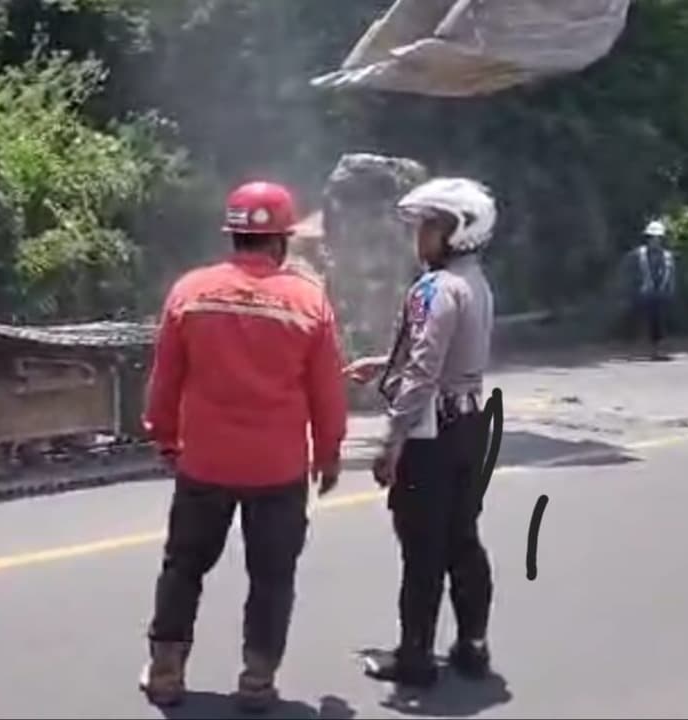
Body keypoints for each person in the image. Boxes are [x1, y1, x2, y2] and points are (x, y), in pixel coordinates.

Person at [138, 181, 348, 712]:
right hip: (277, 471)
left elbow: (165, 379)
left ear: (234, 235)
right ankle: (257, 682)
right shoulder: (308, 301)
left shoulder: (190, 292)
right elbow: (327, 391)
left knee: (183, 567)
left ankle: (165, 673)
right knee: (272, 577)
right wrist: (328, 452)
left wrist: (164, 437)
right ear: (281, 241)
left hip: (204, 463)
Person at [346, 177, 497, 687]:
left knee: (422, 547)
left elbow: (424, 372)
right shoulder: (476, 282)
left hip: (431, 434)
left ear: (458, 231)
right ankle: (473, 646)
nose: (420, 237)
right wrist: (383, 362)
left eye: (430, 226)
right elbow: (448, 356)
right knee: (463, 538)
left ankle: (413, 659)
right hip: (471, 426)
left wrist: (392, 441)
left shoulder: (434, 288)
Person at [628, 220, 676, 359]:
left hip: (660, 293)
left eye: (658, 238)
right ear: (648, 238)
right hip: (643, 293)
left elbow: (671, 274)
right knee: (643, 322)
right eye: (652, 238)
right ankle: (643, 349)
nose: (655, 241)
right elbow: (631, 273)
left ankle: (657, 350)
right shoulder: (638, 254)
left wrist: (670, 290)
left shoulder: (667, 256)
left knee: (659, 322)